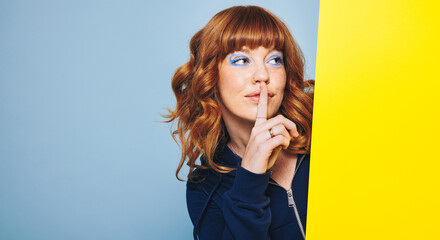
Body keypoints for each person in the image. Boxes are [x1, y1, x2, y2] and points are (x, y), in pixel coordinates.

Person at [165, 5, 314, 240]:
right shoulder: (205, 187)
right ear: (210, 76)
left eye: (275, 59)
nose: (263, 75)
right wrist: (251, 178)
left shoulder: (324, 128)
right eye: (242, 60)